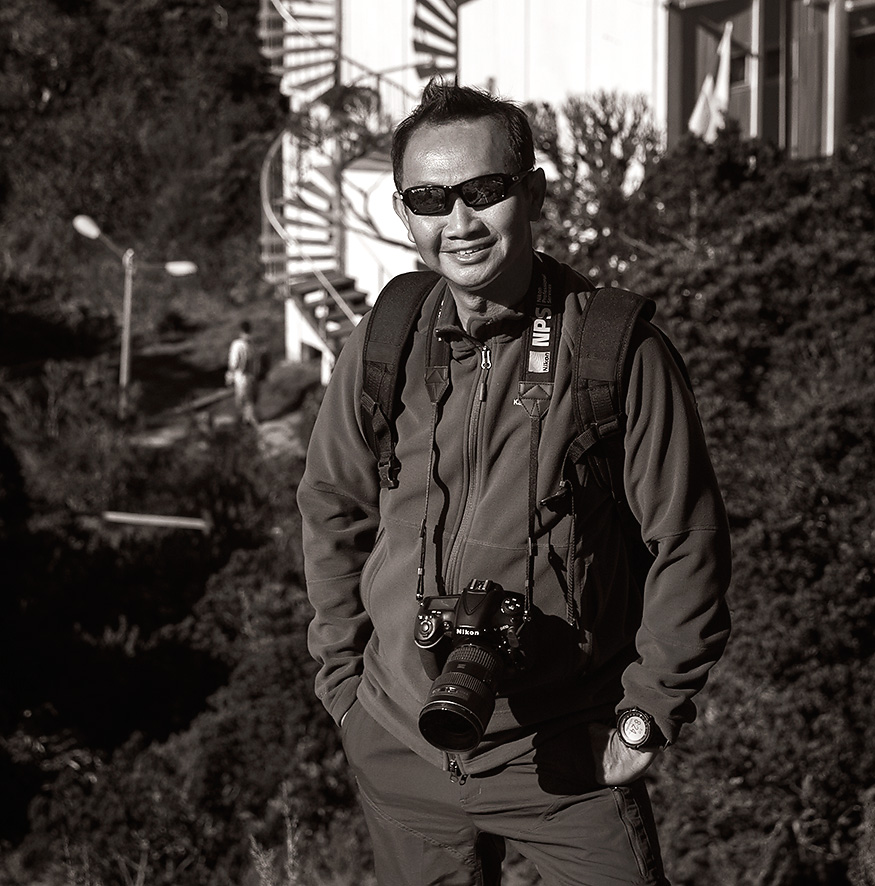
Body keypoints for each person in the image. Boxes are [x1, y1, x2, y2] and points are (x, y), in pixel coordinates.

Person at [297, 79, 731, 886]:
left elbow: (688, 541)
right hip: (400, 746)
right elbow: (332, 507)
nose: (458, 223)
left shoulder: (611, 350)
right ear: (403, 213)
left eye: (484, 191)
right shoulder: (386, 337)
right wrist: (344, 689)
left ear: (532, 192)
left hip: (565, 757)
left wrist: (648, 711)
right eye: (429, 199)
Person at [226, 320, 258, 426]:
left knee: (242, 400)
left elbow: (234, 362)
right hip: (251, 375)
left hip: (241, 375)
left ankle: (247, 422)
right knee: (250, 399)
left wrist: (230, 375)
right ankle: (247, 420)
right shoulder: (251, 344)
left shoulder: (237, 345)